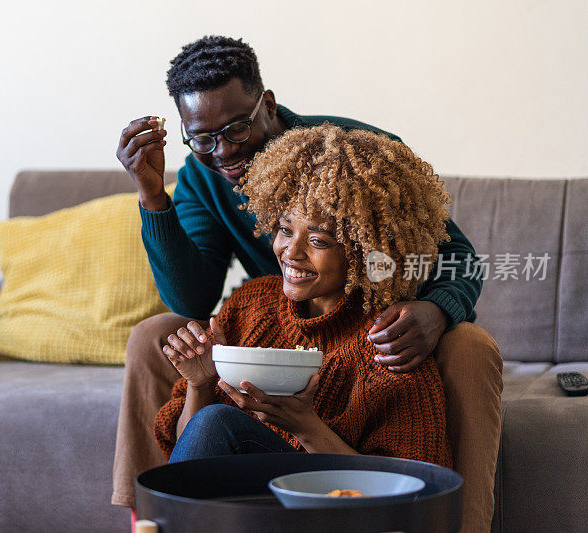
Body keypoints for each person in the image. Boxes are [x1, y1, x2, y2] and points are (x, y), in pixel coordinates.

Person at [115, 36, 501, 532]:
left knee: (468, 343)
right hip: (286, 317)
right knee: (156, 333)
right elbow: (190, 299)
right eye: (204, 138)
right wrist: (153, 195)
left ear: (267, 105)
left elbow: (458, 258)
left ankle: (462, 523)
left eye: (236, 128)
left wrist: (437, 311)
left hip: (381, 315)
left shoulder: (361, 159)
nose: (224, 150)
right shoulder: (203, 177)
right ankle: (148, 517)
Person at [156, 124, 452, 470]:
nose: (290, 252)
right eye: (284, 229)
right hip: (239, 507)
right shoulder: (250, 305)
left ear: (363, 250)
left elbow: (411, 491)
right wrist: (200, 385)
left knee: (215, 422)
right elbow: (183, 448)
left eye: (318, 241)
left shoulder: (390, 341)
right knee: (209, 422)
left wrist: (305, 426)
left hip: (330, 508)